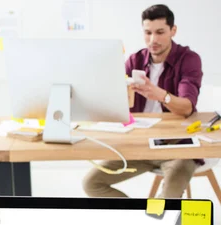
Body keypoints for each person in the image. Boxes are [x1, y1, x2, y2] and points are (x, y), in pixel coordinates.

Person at [83, 4, 204, 199]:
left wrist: (160, 95)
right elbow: (114, 101)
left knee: (168, 198)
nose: (153, 40)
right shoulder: (135, 60)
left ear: (173, 31)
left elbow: (187, 107)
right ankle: (137, 218)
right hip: (141, 146)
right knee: (92, 184)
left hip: (178, 148)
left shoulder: (188, 60)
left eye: (160, 32)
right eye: (148, 33)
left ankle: (153, 221)